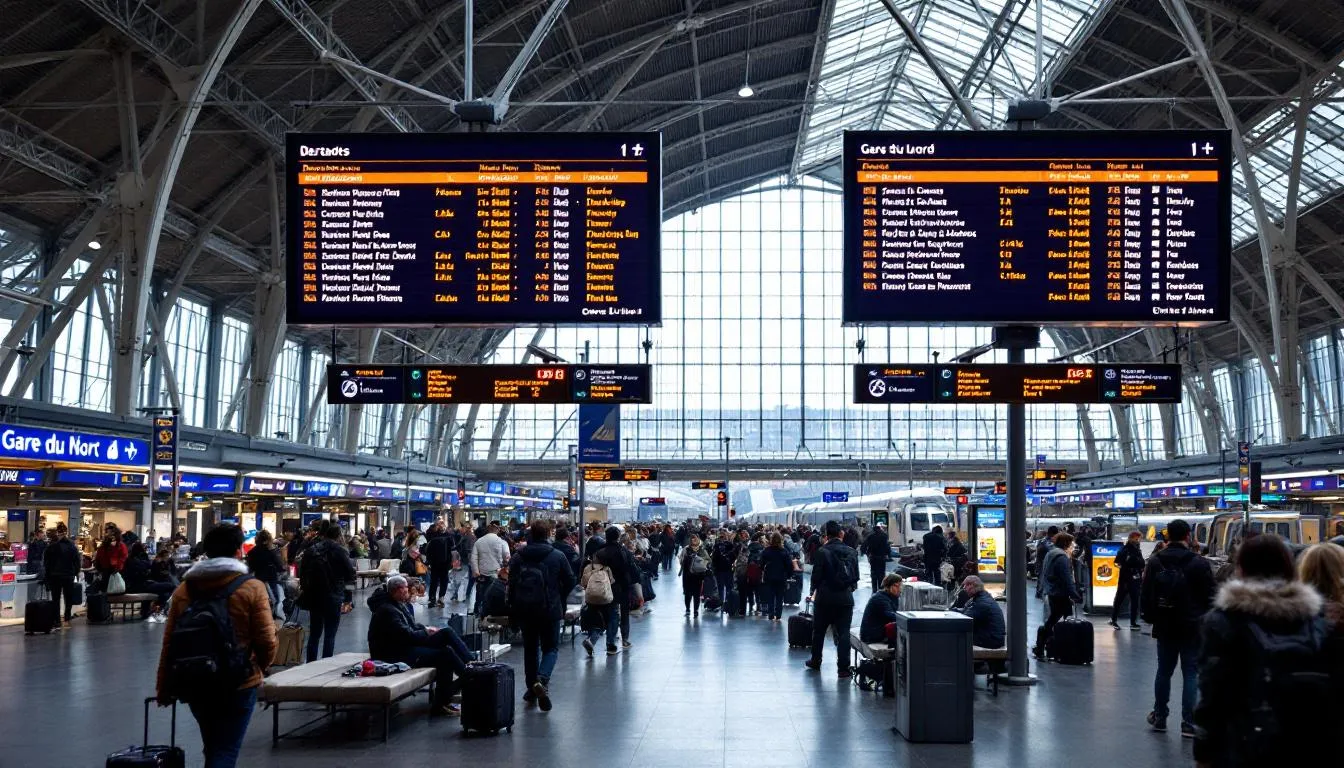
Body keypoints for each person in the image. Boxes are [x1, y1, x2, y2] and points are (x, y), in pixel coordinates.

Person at [1193, 535, 1334, 765]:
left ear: (1241, 569)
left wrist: (1204, 753)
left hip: (1245, 744)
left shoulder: (1224, 621)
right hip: (1309, 743)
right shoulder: (1317, 620)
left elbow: (1212, 696)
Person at [155, 524, 276, 768]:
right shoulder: (252, 588)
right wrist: (260, 668)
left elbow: (170, 642)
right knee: (225, 749)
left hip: (195, 678)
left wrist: (164, 686)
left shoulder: (184, 589)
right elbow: (266, 640)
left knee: (213, 746)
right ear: (238, 551)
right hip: (239, 680)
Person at [1140, 518, 1215, 736]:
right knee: (1191, 673)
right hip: (1193, 625)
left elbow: (1146, 594)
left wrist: (1150, 617)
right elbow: (1210, 596)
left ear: (1167, 536)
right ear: (1188, 537)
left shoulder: (1155, 561)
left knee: (1164, 671)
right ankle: (1189, 723)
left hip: (1165, 624)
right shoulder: (1199, 563)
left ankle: (1160, 716)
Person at [366, 575, 472, 717]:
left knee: (445, 633)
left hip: (403, 646)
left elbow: (410, 628)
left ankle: (471, 668)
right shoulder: (387, 610)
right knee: (445, 655)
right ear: (397, 590)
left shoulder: (395, 604)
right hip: (395, 654)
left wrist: (425, 629)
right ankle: (467, 677)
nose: (408, 593)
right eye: (405, 589)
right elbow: (406, 635)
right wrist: (425, 632)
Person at [507, 521, 576, 712]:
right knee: (550, 648)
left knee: (530, 649)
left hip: (525, 609)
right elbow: (571, 580)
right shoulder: (558, 555)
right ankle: (542, 679)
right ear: (548, 534)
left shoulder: (518, 556)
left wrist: (513, 607)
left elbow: (510, 583)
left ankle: (532, 687)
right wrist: (559, 595)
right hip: (550, 608)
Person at [806, 520, 860, 678]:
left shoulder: (822, 552)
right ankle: (843, 668)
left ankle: (816, 661)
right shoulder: (851, 552)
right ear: (841, 534)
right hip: (845, 599)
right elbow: (855, 576)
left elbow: (816, 576)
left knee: (819, 631)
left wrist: (812, 592)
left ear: (825, 536)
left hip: (824, 598)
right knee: (843, 633)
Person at [298, 520, 356, 662]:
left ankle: (310, 664)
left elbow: (302, 573)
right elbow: (350, 576)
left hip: (315, 596)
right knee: (330, 635)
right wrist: (348, 599)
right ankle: (325, 664)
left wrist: (306, 591)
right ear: (338, 535)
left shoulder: (312, 549)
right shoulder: (340, 551)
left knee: (314, 634)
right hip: (334, 596)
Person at [1033, 532, 1082, 659]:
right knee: (1060, 620)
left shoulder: (1051, 553)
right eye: (1071, 543)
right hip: (1060, 593)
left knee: (1054, 619)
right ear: (1066, 543)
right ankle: (1060, 647)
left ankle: (1045, 646)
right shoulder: (1061, 557)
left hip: (1052, 591)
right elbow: (1067, 579)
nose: (1073, 545)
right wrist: (1075, 594)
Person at [594, 526, 640, 653]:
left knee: (608, 612)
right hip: (622, 586)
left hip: (603, 586)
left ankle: (603, 639)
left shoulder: (599, 552)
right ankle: (624, 639)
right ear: (618, 537)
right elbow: (633, 570)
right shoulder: (624, 551)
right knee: (623, 613)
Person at [124, 543, 175, 621]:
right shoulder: (133, 560)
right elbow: (146, 566)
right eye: (144, 549)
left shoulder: (135, 559)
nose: (145, 550)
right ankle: (157, 611)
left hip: (144, 584)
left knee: (164, 594)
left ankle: (151, 611)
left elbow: (147, 567)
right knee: (171, 586)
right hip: (139, 586)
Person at [42, 525, 80, 630]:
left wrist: (47, 576)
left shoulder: (50, 547)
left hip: (55, 576)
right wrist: (75, 573)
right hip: (68, 575)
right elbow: (77, 561)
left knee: (56, 599)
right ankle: (67, 618)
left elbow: (46, 564)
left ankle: (57, 620)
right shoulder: (72, 546)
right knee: (68, 598)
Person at [953, 575, 1005, 650]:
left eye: (965, 586)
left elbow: (965, 620)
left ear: (971, 585)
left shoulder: (981, 602)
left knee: (956, 636)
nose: (964, 589)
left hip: (992, 640)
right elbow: (966, 610)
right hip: (991, 636)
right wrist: (954, 610)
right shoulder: (982, 596)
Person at [470, 522, 510, 616]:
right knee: (493, 595)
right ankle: (490, 614)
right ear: (497, 531)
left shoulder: (479, 541)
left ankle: (477, 613)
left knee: (480, 594)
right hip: (496, 574)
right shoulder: (501, 542)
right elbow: (507, 557)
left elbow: (473, 558)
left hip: (482, 574)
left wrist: (476, 572)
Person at [245, 530, 285, 620]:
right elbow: (280, 567)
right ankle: (272, 619)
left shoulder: (252, 552)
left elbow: (250, 567)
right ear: (268, 540)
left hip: (258, 579)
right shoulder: (271, 552)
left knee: (259, 601)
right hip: (271, 579)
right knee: (276, 600)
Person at [1109, 531, 1146, 630]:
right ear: (1132, 538)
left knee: (1132, 600)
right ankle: (1116, 619)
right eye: (1137, 539)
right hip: (1127, 578)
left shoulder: (1134, 549)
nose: (1138, 541)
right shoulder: (1125, 550)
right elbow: (1118, 562)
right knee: (1121, 599)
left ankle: (1130, 621)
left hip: (1131, 578)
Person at [759, 532, 796, 622]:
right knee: (780, 597)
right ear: (781, 540)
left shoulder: (766, 551)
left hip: (769, 577)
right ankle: (778, 615)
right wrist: (789, 575)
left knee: (770, 596)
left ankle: (771, 615)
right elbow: (789, 566)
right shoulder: (784, 551)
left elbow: (761, 564)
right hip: (781, 577)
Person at [859, 573, 903, 644]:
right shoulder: (880, 598)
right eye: (896, 586)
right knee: (899, 627)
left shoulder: (892, 596)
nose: (899, 589)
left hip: (877, 631)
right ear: (888, 586)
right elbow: (890, 615)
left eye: (900, 586)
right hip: (870, 635)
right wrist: (906, 619)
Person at [678, 534, 711, 617]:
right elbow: (681, 560)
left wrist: (700, 562)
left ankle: (695, 610)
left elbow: (708, 560)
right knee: (687, 593)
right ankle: (688, 609)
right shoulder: (686, 549)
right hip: (687, 575)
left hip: (698, 576)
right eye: (692, 539)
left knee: (697, 594)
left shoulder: (702, 550)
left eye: (695, 539)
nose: (693, 541)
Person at [424, 524, 453, 608]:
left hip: (435, 564)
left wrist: (429, 562)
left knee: (434, 581)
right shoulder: (448, 539)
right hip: (445, 564)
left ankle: (432, 598)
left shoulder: (433, 540)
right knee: (444, 581)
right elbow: (452, 550)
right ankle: (441, 597)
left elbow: (428, 552)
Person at [862, 524, 890, 593]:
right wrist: (889, 554)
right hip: (882, 558)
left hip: (873, 557)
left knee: (873, 573)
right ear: (880, 529)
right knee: (881, 573)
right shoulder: (884, 536)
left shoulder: (870, 536)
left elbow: (864, 546)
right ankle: (881, 588)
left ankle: (874, 589)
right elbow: (887, 546)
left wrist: (866, 553)